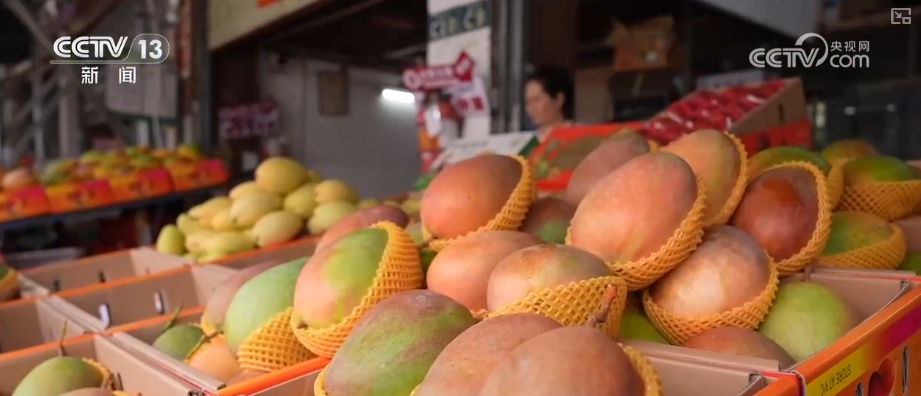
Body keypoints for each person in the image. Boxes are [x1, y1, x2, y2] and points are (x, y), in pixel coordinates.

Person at [524, 65, 575, 141]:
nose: (531, 108)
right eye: (527, 102)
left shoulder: (582, 136)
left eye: (537, 100)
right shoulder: (526, 142)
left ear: (558, 100)